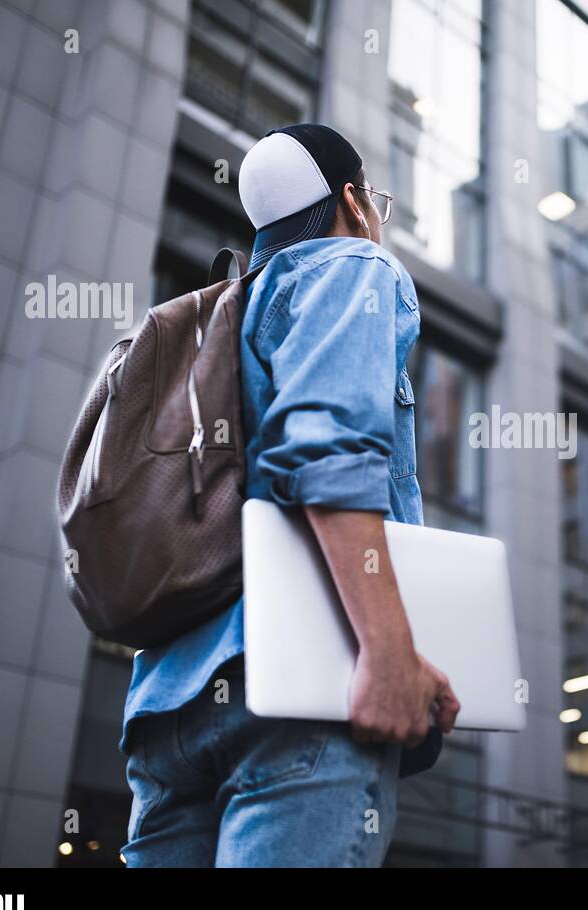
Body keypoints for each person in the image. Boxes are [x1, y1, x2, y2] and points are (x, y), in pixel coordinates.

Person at [118, 124, 459, 867]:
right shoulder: (353, 267)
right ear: (354, 201)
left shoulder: (219, 317)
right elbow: (326, 451)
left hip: (165, 713)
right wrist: (388, 651)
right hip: (301, 691)